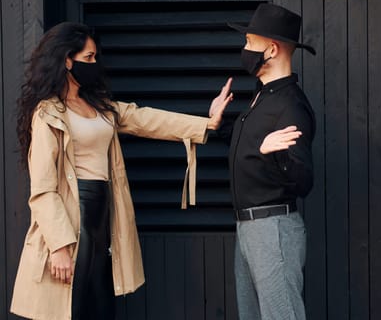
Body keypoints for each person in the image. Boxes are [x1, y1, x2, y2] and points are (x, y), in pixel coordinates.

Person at [10, 22, 232, 320]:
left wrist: (206, 124)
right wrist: (58, 246)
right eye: (88, 58)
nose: (94, 64)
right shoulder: (47, 114)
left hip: (103, 215)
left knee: (100, 304)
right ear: (66, 60)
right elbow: (43, 188)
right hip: (74, 217)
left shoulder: (99, 106)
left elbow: (145, 119)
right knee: (70, 308)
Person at [209, 3, 316, 320]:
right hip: (250, 228)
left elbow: (304, 181)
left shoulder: (291, 106)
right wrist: (218, 125)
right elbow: (251, 148)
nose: (244, 50)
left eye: (249, 43)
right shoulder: (263, 95)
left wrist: (277, 154)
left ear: (271, 49)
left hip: (273, 230)